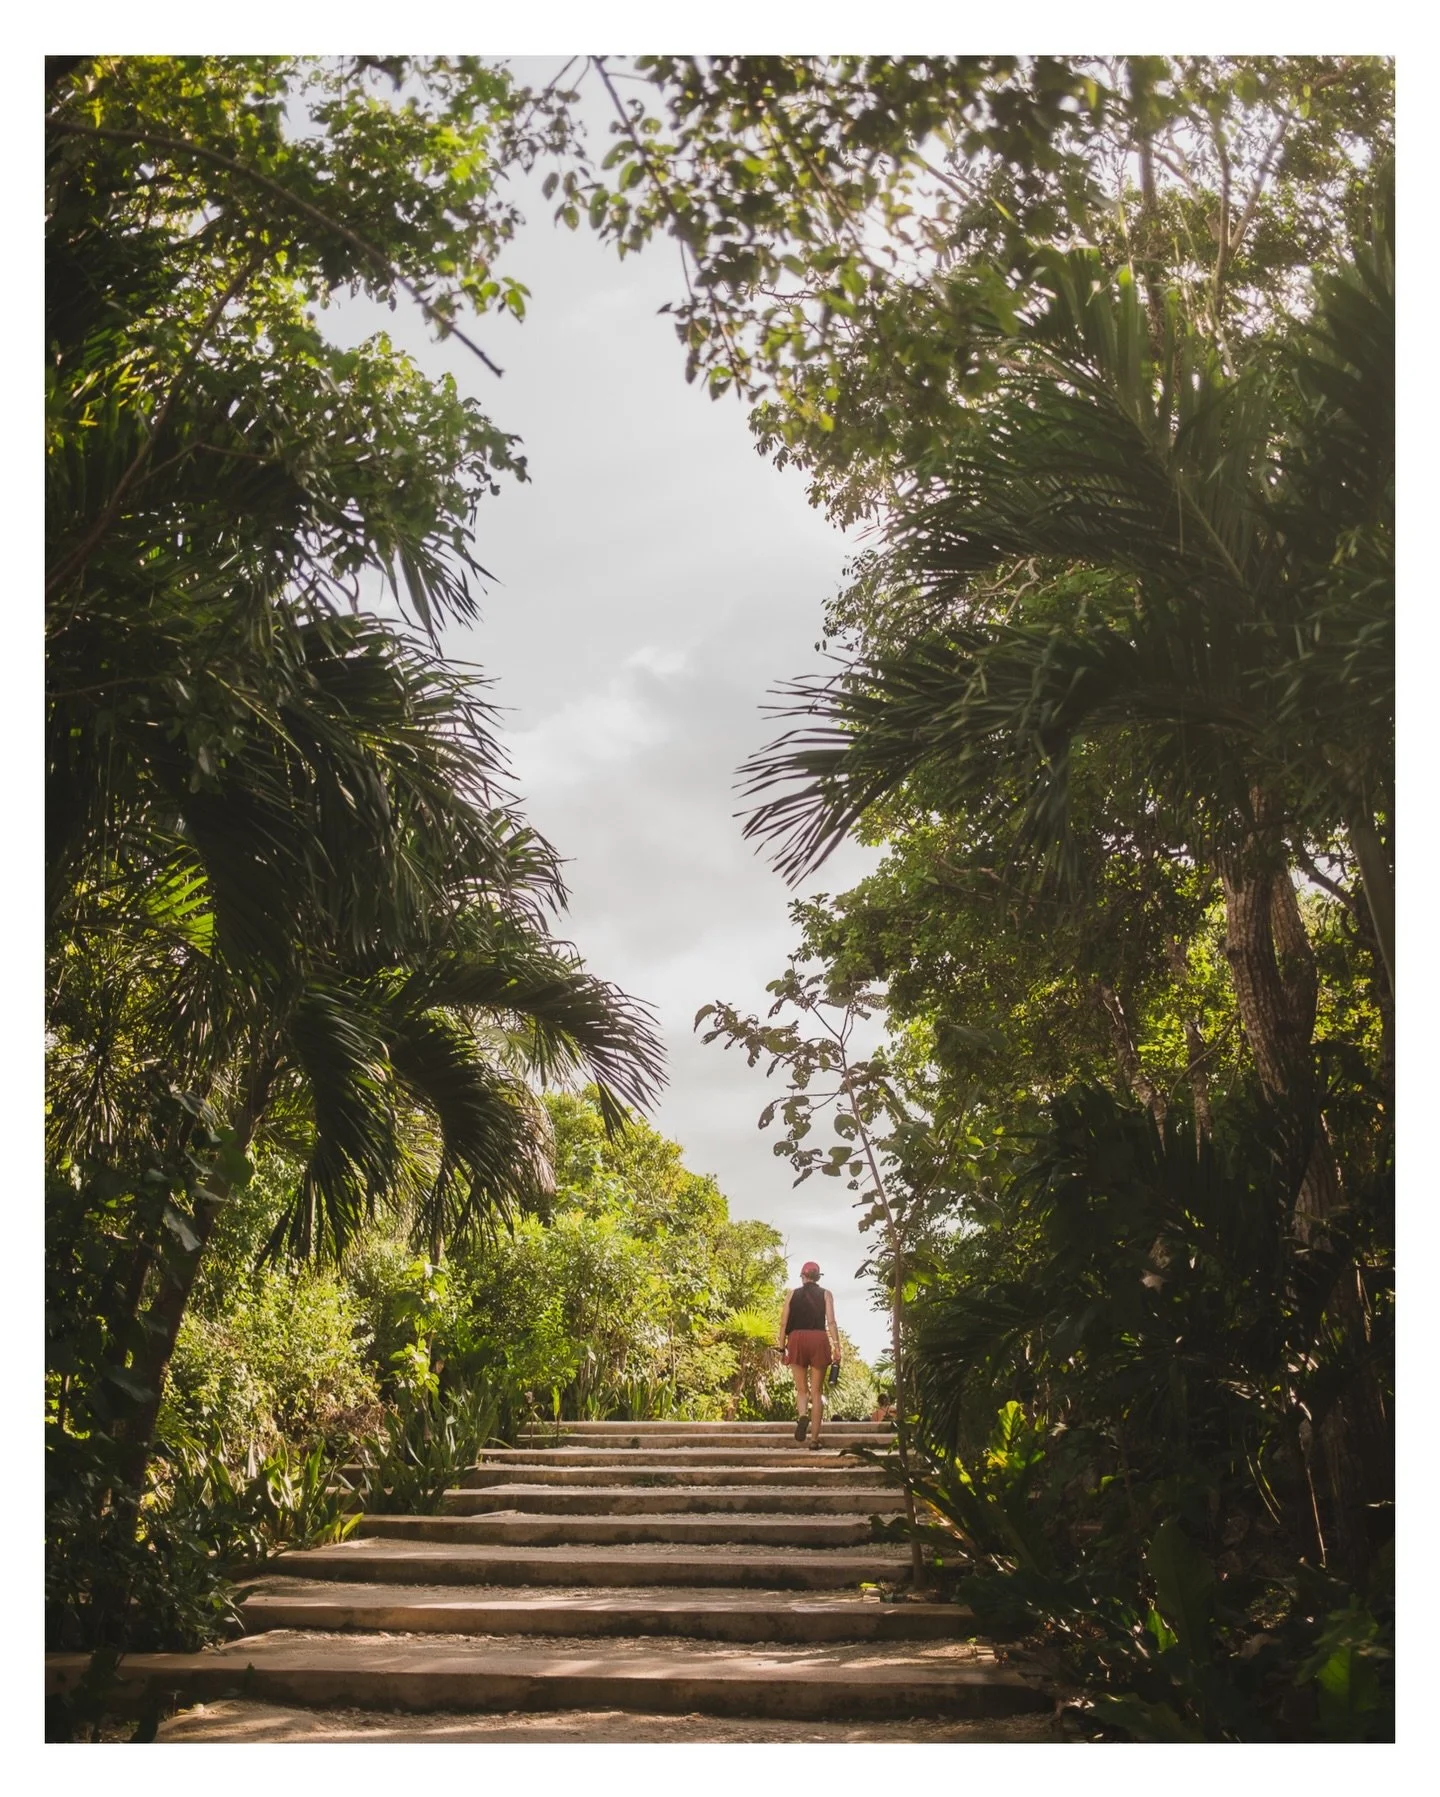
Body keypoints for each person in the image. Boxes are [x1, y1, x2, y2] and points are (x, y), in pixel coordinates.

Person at [777, 1261, 841, 1448]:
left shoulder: (792, 1294)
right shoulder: (826, 1294)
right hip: (818, 1339)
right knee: (816, 1391)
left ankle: (803, 1415)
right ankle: (814, 1439)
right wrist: (837, 1346)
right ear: (818, 1277)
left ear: (803, 1276)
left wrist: (781, 1348)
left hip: (796, 1338)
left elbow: (783, 1323)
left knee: (802, 1390)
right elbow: (831, 1322)